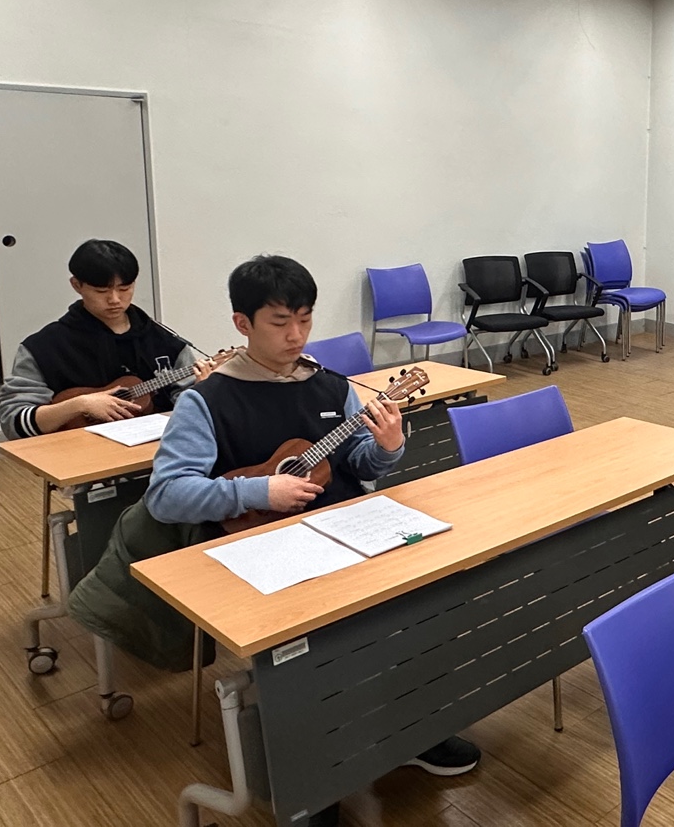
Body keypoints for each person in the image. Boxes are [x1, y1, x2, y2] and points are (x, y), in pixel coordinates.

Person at [69, 257, 479, 825]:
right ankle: (312, 784)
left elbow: (358, 463)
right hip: (257, 548)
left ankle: (410, 730)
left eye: (305, 320)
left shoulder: (332, 385)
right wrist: (261, 490)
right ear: (243, 324)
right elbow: (166, 494)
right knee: (312, 648)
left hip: (340, 533)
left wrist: (387, 447)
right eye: (280, 322)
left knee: (422, 601)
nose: (296, 336)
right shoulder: (207, 400)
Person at [0, 239, 206, 439]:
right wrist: (78, 405)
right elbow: (13, 420)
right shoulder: (44, 347)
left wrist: (203, 391)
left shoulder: (165, 341)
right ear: (76, 285)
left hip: (157, 449)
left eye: (124, 289)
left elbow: (193, 408)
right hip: (74, 453)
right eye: (101, 291)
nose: (114, 299)